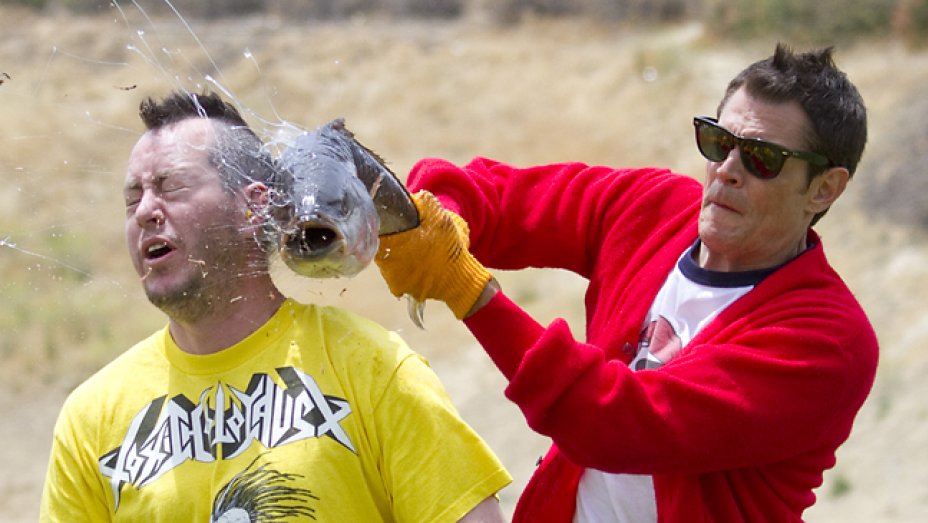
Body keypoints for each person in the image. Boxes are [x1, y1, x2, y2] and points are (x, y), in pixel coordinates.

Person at [374, 43, 878, 522]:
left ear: (824, 189)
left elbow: (615, 423)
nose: (726, 170)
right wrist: (438, 221)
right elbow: (494, 195)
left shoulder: (829, 341)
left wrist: (468, 291)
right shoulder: (654, 207)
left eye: (761, 158)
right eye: (718, 142)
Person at [40, 91, 511, 522]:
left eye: (172, 187)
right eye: (132, 199)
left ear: (254, 207)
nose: (145, 211)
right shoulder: (93, 417)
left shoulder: (375, 370)